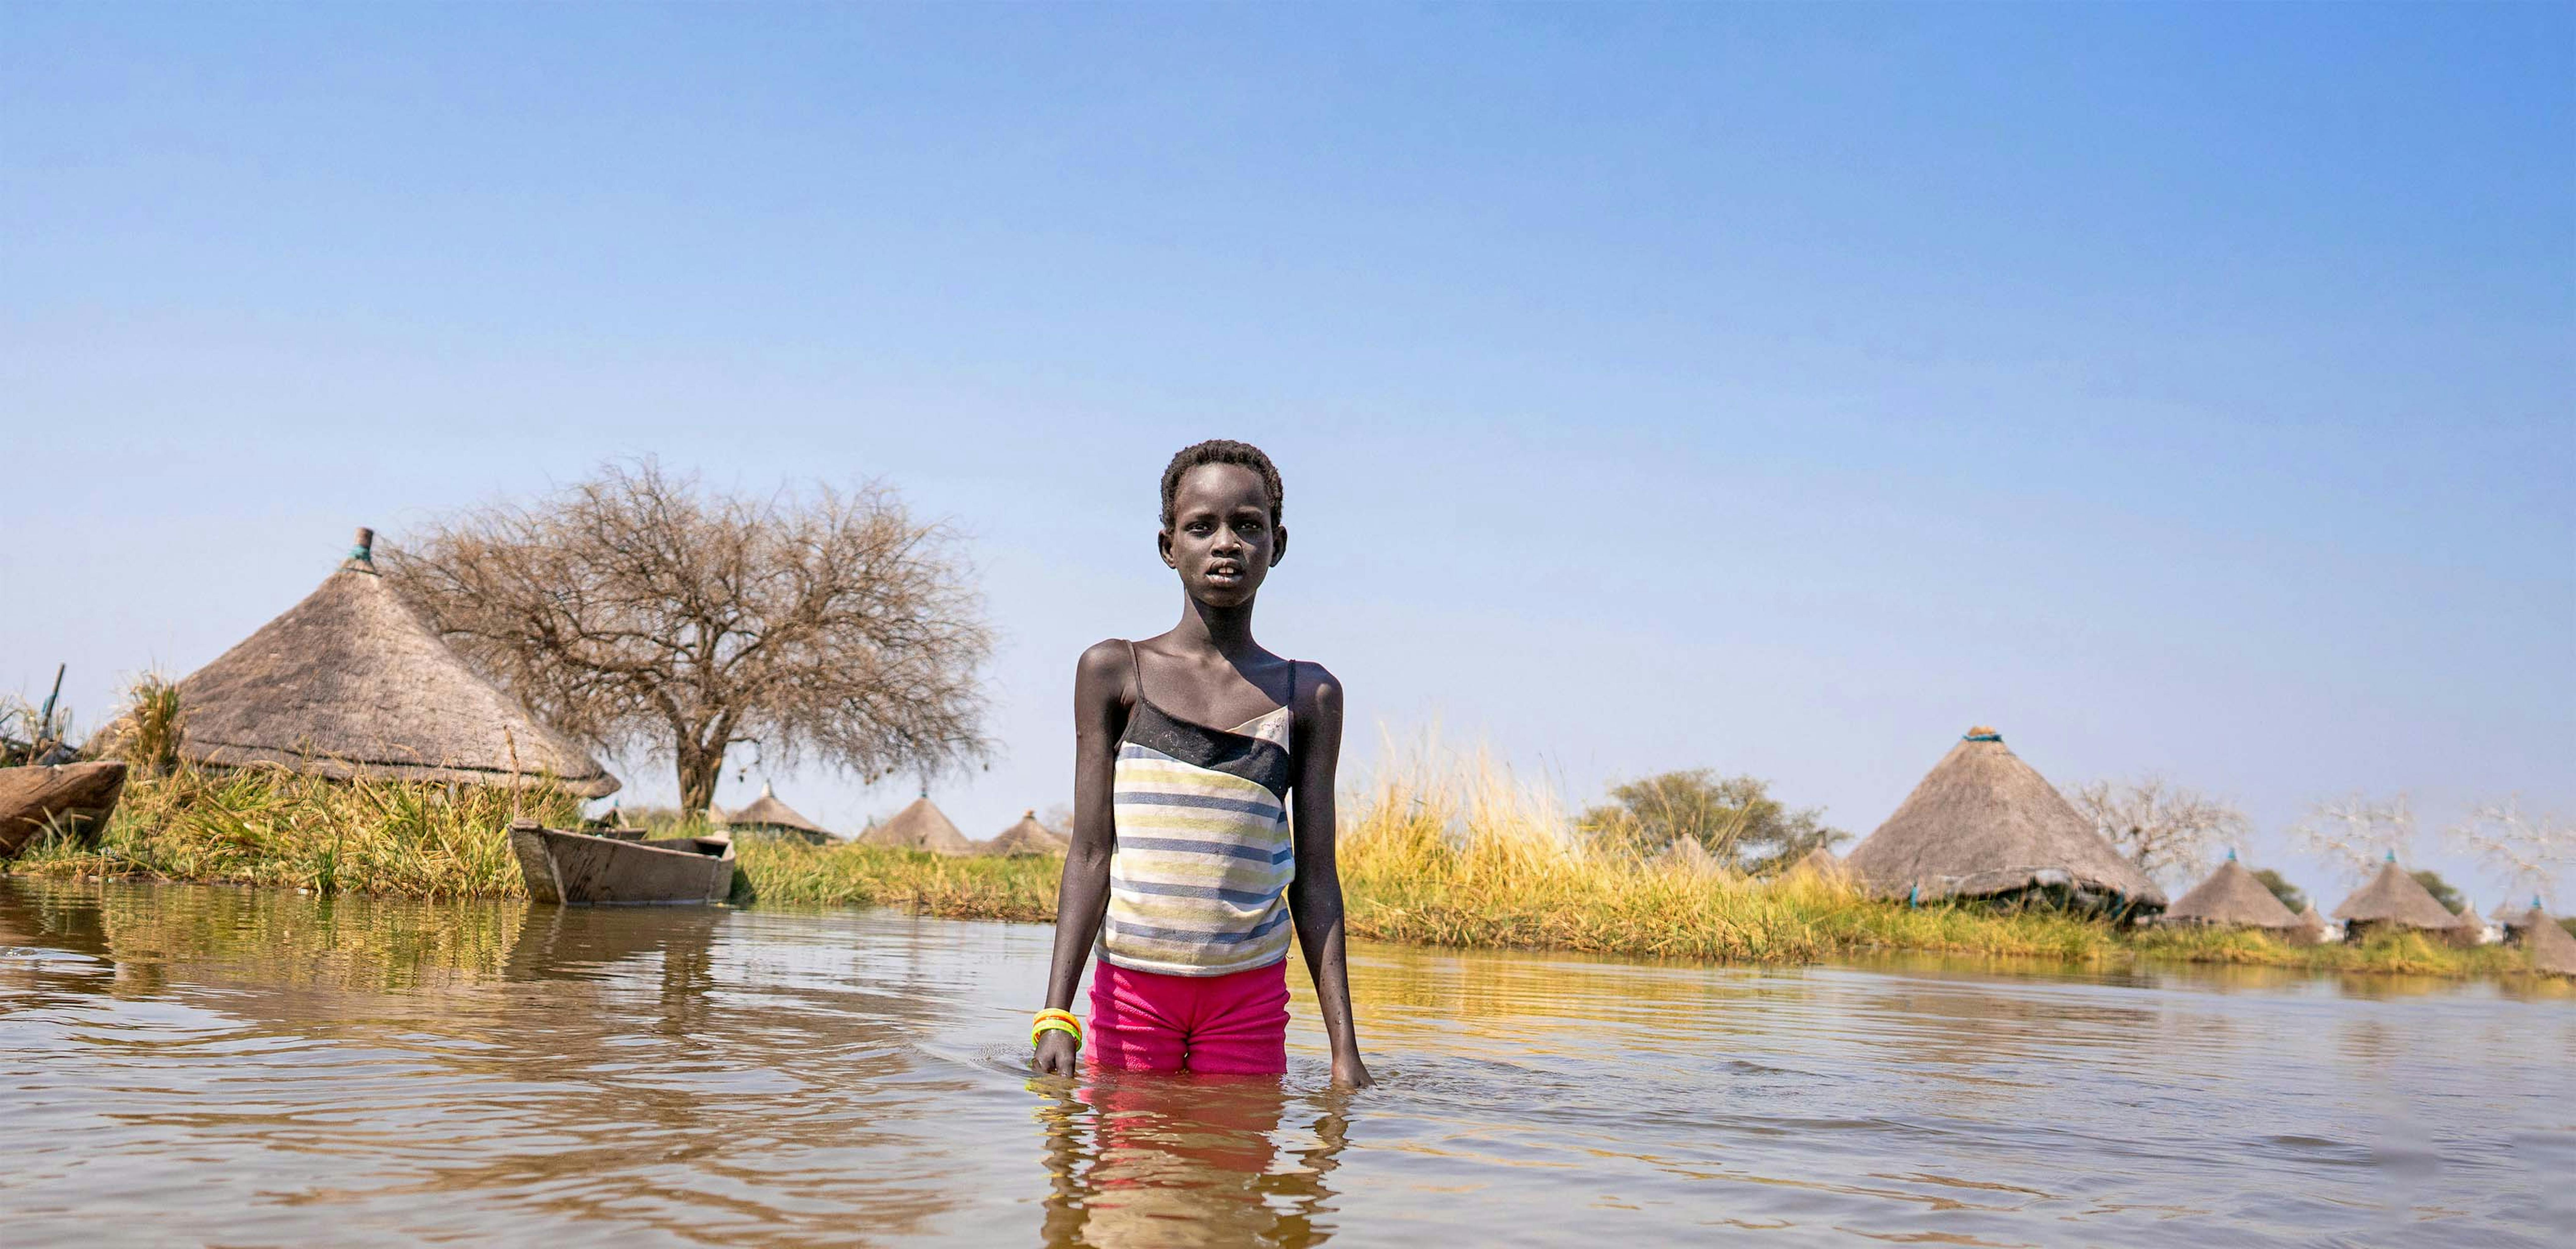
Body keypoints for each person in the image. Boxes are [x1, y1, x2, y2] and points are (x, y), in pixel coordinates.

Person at [1030, 439, 1371, 1087]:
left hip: (1247, 995)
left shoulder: (1307, 695)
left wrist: (1344, 1051)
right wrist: (1055, 1015)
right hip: (1134, 986)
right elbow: (1090, 854)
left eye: (1248, 526)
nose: (1226, 543)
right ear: (1168, 546)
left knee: (1238, 1168)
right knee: (1127, 1180)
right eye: (1201, 526)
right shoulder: (1114, 673)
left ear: (1278, 544)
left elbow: (1317, 878)